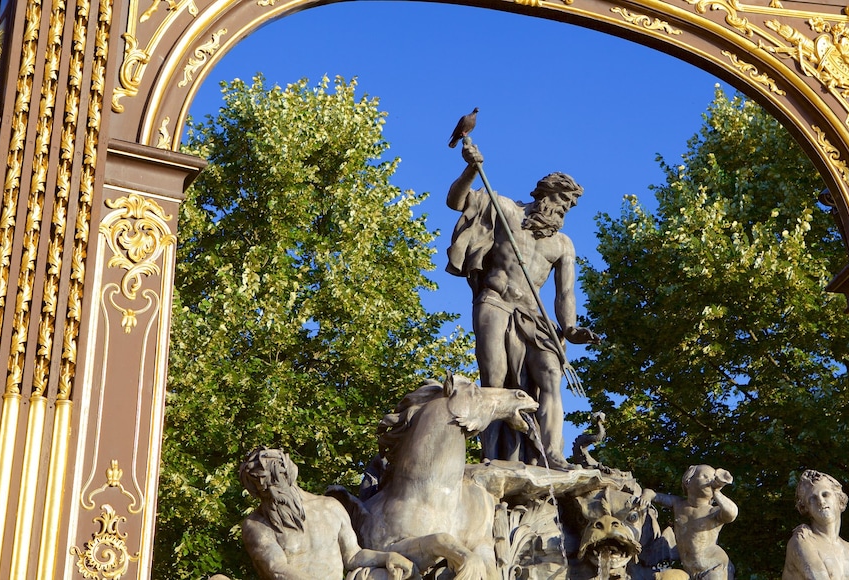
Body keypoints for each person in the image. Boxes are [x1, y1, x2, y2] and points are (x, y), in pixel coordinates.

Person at [446, 142, 599, 470]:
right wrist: (472, 168)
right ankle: (493, 454)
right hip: (496, 302)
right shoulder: (505, 210)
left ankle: (552, 452)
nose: (564, 210)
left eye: (570, 207)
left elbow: (565, 294)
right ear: (546, 193)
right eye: (562, 200)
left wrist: (570, 329)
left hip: (534, 314)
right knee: (495, 376)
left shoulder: (562, 244)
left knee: (550, 373)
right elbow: (456, 201)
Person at [239, 447, 418, 580]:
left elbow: (353, 556)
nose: (272, 492)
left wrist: (387, 557)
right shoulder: (256, 525)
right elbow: (276, 568)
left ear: (290, 475)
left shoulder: (330, 507)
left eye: (276, 483)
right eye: (263, 490)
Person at [638, 465, 738, 579]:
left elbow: (732, 513)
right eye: (705, 476)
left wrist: (717, 492)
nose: (710, 481)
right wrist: (647, 495)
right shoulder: (678, 504)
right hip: (690, 570)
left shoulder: (713, 512)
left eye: (712, 479)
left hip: (713, 567)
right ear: (688, 482)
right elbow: (654, 494)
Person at [782, 470, 849, 580]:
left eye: (825, 494)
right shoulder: (802, 541)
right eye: (813, 498)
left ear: (840, 500)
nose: (821, 501)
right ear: (805, 508)